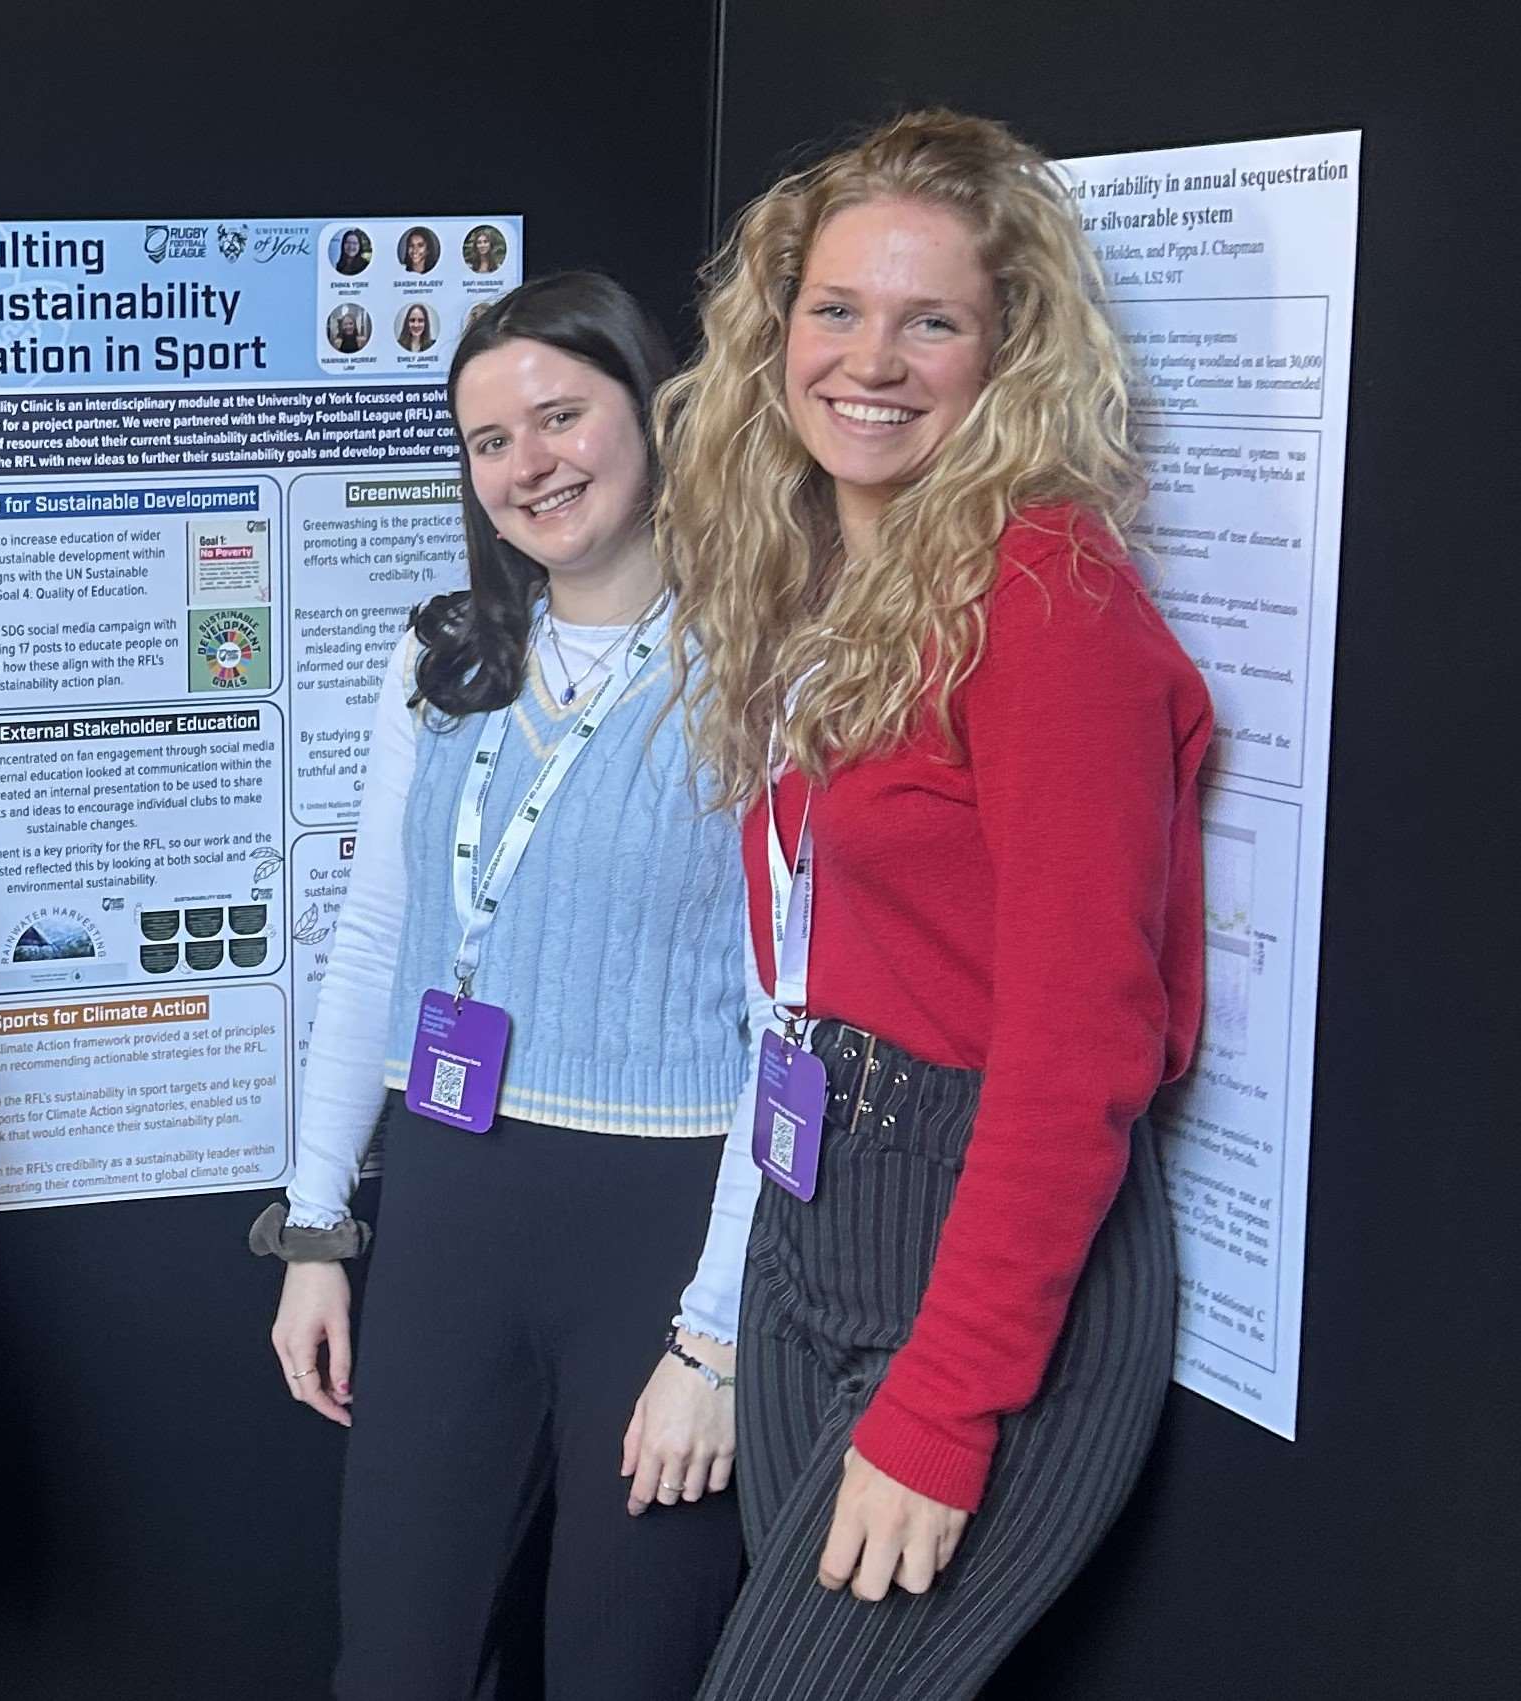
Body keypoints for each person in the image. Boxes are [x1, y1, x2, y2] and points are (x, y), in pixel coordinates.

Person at [657, 111, 1208, 1701]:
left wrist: (947, 1402)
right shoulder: (816, 575)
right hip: (814, 1206)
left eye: (931, 322)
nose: (871, 361)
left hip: (979, 1246)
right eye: (836, 308)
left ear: (1008, 348)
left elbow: (1080, 1050)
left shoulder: (1045, 600)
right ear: (778, 329)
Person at [257, 272, 760, 1701]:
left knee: (628, 1666)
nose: (528, 464)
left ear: (652, 415)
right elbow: (375, 939)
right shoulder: (444, 658)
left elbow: (792, 1020)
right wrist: (314, 1229)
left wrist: (716, 1341)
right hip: (451, 1203)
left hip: (659, 1227)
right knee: (398, 1665)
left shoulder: (766, 670)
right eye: (489, 440)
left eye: (560, 417)